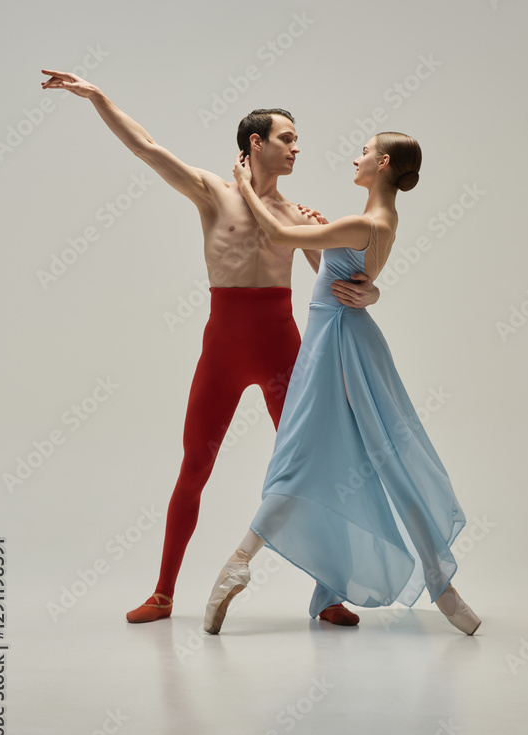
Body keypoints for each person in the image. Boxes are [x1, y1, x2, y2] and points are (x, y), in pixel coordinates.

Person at [40, 69, 380, 625]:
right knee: (195, 464)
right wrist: (97, 95)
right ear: (255, 143)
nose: (297, 147)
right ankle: (164, 593)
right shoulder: (212, 192)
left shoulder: (300, 216)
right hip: (222, 348)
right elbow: (145, 147)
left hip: (282, 351)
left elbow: (338, 285)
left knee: (311, 466)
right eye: (287, 138)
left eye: (296, 139)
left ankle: (330, 595)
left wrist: (366, 289)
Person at [203, 132, 481, 637]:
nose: (356, 157)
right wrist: (362, 282)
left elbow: (282, 238)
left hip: (333, 343)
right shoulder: (383, 221)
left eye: (364, 151)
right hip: (352, 339)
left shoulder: (361, 222)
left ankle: (237, 564)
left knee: (304, 456)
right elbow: (339, 269)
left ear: (384, 163)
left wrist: (244, 185)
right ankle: (438, 587)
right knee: (376, 459)